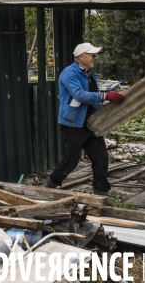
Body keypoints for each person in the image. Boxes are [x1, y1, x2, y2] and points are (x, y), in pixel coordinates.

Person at [43, 43, 124, 197]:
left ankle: (101, 194)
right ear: (81, 57)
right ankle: (47, 187)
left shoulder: (89, 73)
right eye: (91, 54)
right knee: (70, 161)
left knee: (100, 158)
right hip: (73, 125)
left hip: (90, 124)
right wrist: (105, 96)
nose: (95, 57)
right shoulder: (69, 74)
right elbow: (79, 95)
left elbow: (91, 94)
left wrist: (103, 103)